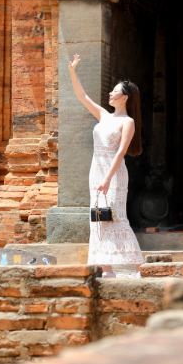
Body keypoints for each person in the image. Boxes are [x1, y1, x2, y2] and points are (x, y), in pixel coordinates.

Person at [68, 54, 146, 276]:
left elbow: (121, 152)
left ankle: (139, 267)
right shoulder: (103, 115)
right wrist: (72, 71)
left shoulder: (128, 122)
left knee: (116, 216)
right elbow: (82, 96)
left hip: (114, 174)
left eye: (115, 91)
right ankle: (107, 269)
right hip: (96, 172)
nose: (110, 93)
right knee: (99, 217)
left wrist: (108, 178)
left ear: (125, 98)